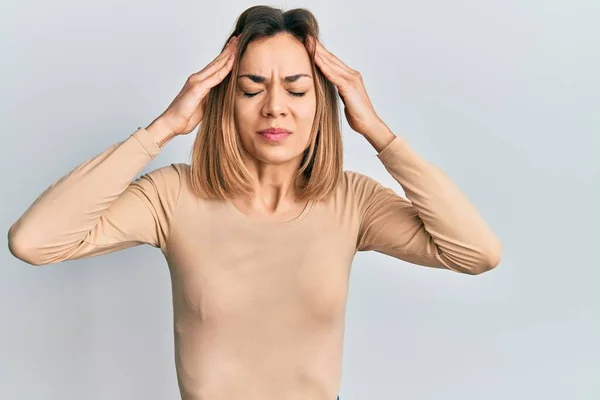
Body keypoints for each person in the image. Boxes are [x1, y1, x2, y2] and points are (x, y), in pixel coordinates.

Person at [7, 5, 502, 400]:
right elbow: (34, 242)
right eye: (251, 88)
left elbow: (476, 253)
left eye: (296, 88)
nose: (274, 107)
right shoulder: (173, 196)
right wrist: (163, 128)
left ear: (323, 104)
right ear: (225, 99)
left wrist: (374, 128)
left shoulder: (353, 201)